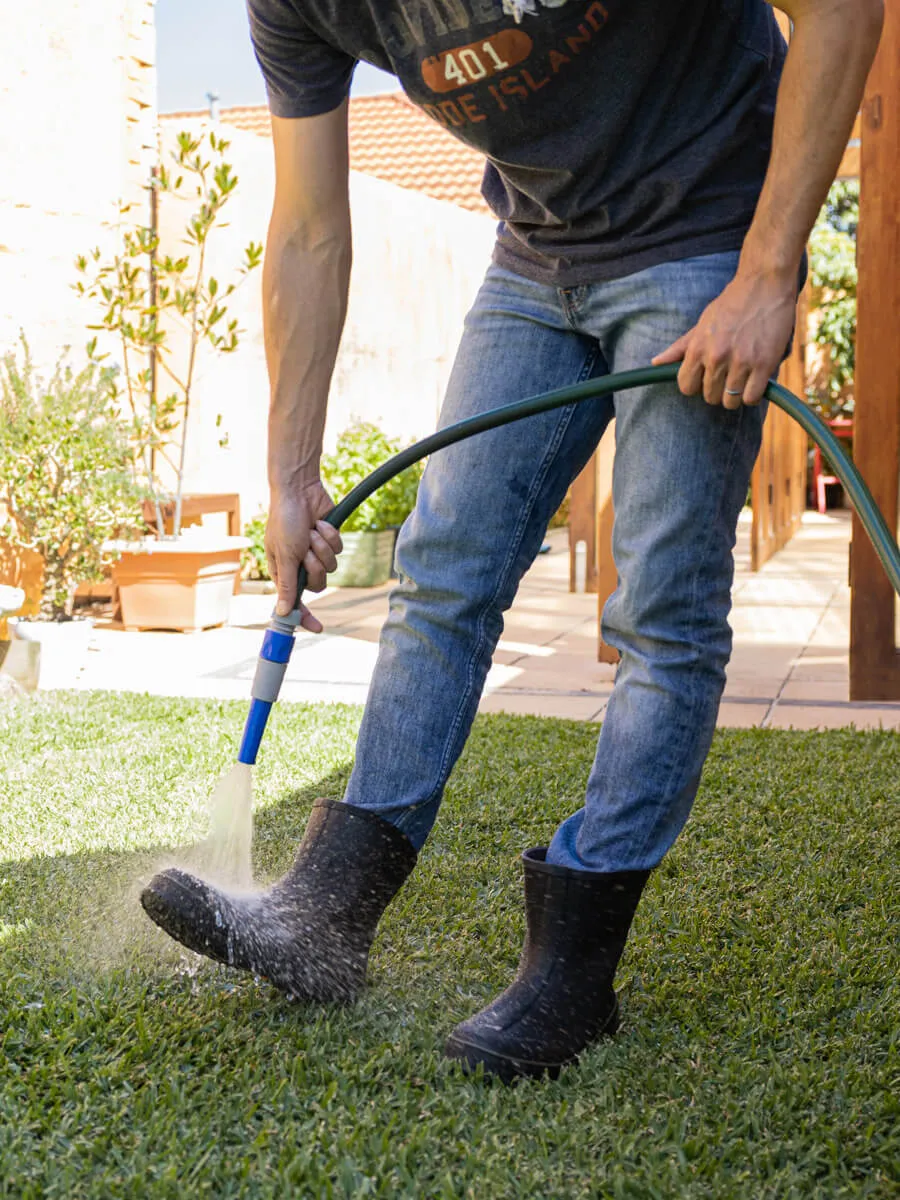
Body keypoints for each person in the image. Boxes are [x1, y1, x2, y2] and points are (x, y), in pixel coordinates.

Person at [141, 0, 882, 1082]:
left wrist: (768, 272)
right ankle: (327, 914)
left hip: (705, 225)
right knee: (442, 571)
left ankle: (573, 968)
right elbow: (305, 224)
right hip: (536, 252)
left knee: (661, 610)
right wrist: (289, 472)